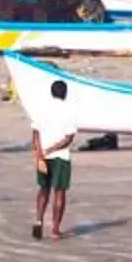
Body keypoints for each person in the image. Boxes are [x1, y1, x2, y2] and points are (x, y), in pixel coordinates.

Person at [31, 74, 82, 241]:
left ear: (52, 93)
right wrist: (51, 149)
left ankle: (38, 220)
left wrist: (39, 152)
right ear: (65, 94)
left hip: (43, 155)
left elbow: (35, 133)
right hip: (60, 157)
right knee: (59, 192)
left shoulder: (42, 108)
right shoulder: (69, 111)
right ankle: (54, 229)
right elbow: (68, 139)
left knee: (43, 189)